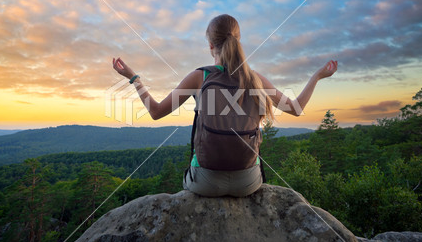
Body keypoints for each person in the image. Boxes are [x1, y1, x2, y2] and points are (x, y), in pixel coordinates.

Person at [112, 14, 337, 197]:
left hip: (204, 183)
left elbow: (156, 112)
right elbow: (296, 108)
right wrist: (317, 76)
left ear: (210, 45)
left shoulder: (200, 77)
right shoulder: (255, 79)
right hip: (248, 182)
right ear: (238, 40)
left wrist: (134, 79)